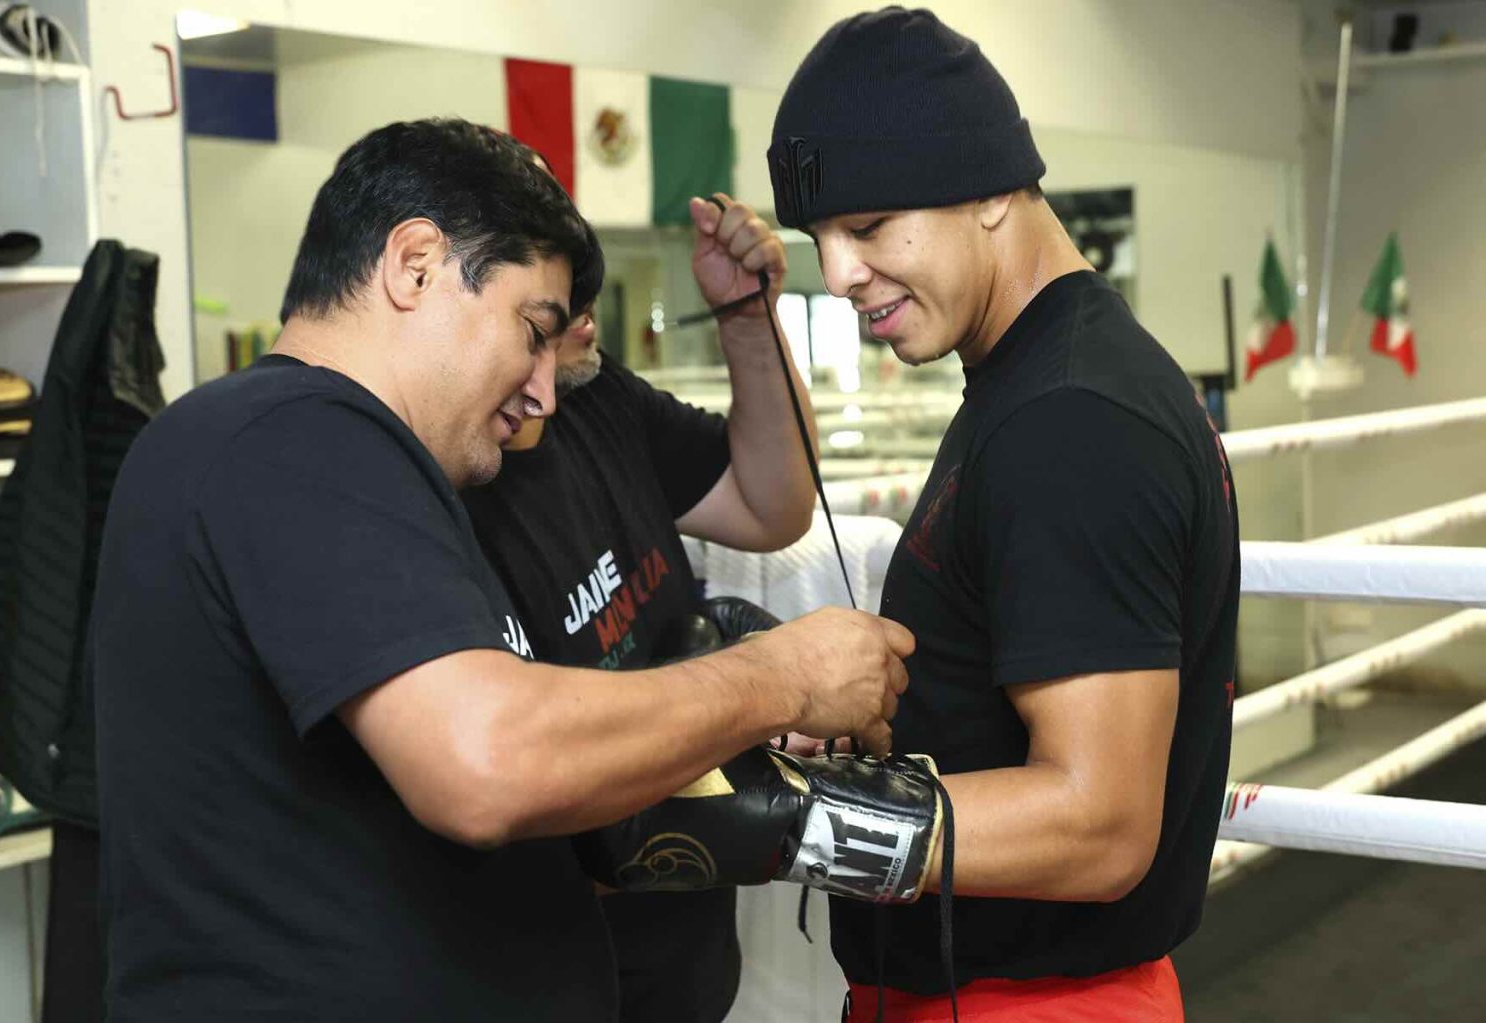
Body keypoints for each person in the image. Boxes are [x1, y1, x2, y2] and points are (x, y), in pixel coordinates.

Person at [89, 117, 914, 1022]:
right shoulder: (294, 434)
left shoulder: (347, 458)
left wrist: (705, 738)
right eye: (532, 331)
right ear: (414, 265)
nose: (543, 389)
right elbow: (483, 760)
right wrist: (780, 677)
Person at [767, 9, 1240, 1021]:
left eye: (867, 224)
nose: (838, 272)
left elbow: (1102, 825)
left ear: (986, 190)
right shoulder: (1031, 382)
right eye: (821, 237)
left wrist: (805, 821)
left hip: (1036, 1003)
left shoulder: (1071, 420)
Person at [461, 188, 811, 1022]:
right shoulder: (434, 487)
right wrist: (761, 687)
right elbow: (490, 780)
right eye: (548, 302)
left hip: (683, 955)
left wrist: (746, 317)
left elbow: (774, 505)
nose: (581, 307)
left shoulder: (593, 394)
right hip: (544, 974)